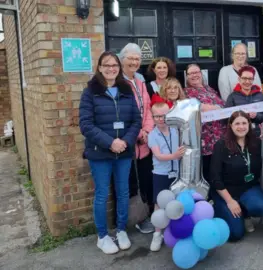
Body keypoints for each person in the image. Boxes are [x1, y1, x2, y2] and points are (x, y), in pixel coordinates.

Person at [79, 51, 141, 254]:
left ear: (119, 67)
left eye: (114, 65)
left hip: (123, 152)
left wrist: (125, 141)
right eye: (106, 65)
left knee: (123, 193)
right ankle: (103, 236)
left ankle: (121, 230)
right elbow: (86, 125)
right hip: (100, 153)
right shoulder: (90, 92)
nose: (111, 68)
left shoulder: (126, 89)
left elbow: (136, 120)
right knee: (102, 194)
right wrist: (110, 142)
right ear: (99, 68)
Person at [210, 111, 263, 241]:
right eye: (237, 123)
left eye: (244, 123)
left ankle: (244, 211)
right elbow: (215, 178)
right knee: (235, 234)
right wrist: (230, 201)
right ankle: (220, 210)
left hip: (248, 188)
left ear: (249, 124)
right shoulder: (221, 145)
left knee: (262, 207)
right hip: (226, 191)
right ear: (230, 125)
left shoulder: (256, 143)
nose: (241, 127)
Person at [119, 43, 155, 234]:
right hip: (129, 142)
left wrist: (147, 130)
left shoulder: (140, 81)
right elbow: (121, 113)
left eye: (137, 59)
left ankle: (145, 215)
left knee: (146, 179)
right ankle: (131, 220)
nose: (134, 62)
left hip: (145, 143)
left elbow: (147, 109)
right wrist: (138, 133)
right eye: (130, 58)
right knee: (129, 182)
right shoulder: (117, 82)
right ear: (122, 59)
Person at [148, 102, 186, 251]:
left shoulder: (177, 130)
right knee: (158, 203)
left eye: (163, 115)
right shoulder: (152, 135)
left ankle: (177, 231)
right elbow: (158, 155)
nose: (160, 119)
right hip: (161, 174)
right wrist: (175, 155)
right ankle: (157, 234)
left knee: (177, 201)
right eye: (156, 116)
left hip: (177, 173)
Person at [184, 64, 226, 184]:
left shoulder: (209, 89)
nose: (194, 75)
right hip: (204, 140)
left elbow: (223, 105)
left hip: (219, 138)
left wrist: (216, 108)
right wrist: (215, 107)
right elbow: (196, 107)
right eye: (191, 73)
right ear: (186, 77)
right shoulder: (186, 93)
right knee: (207, 172)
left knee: (219, 170)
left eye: (196, 72)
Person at [225, 65, 263, 137]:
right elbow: (226, 119)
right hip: (239, 134)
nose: (247, 81)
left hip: (257, 134)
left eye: (250, 79)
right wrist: (239, 117)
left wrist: (256, 116)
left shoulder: (260, 95)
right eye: (244, 78)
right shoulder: (232, 97)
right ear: (239, 79)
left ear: (253, 80)